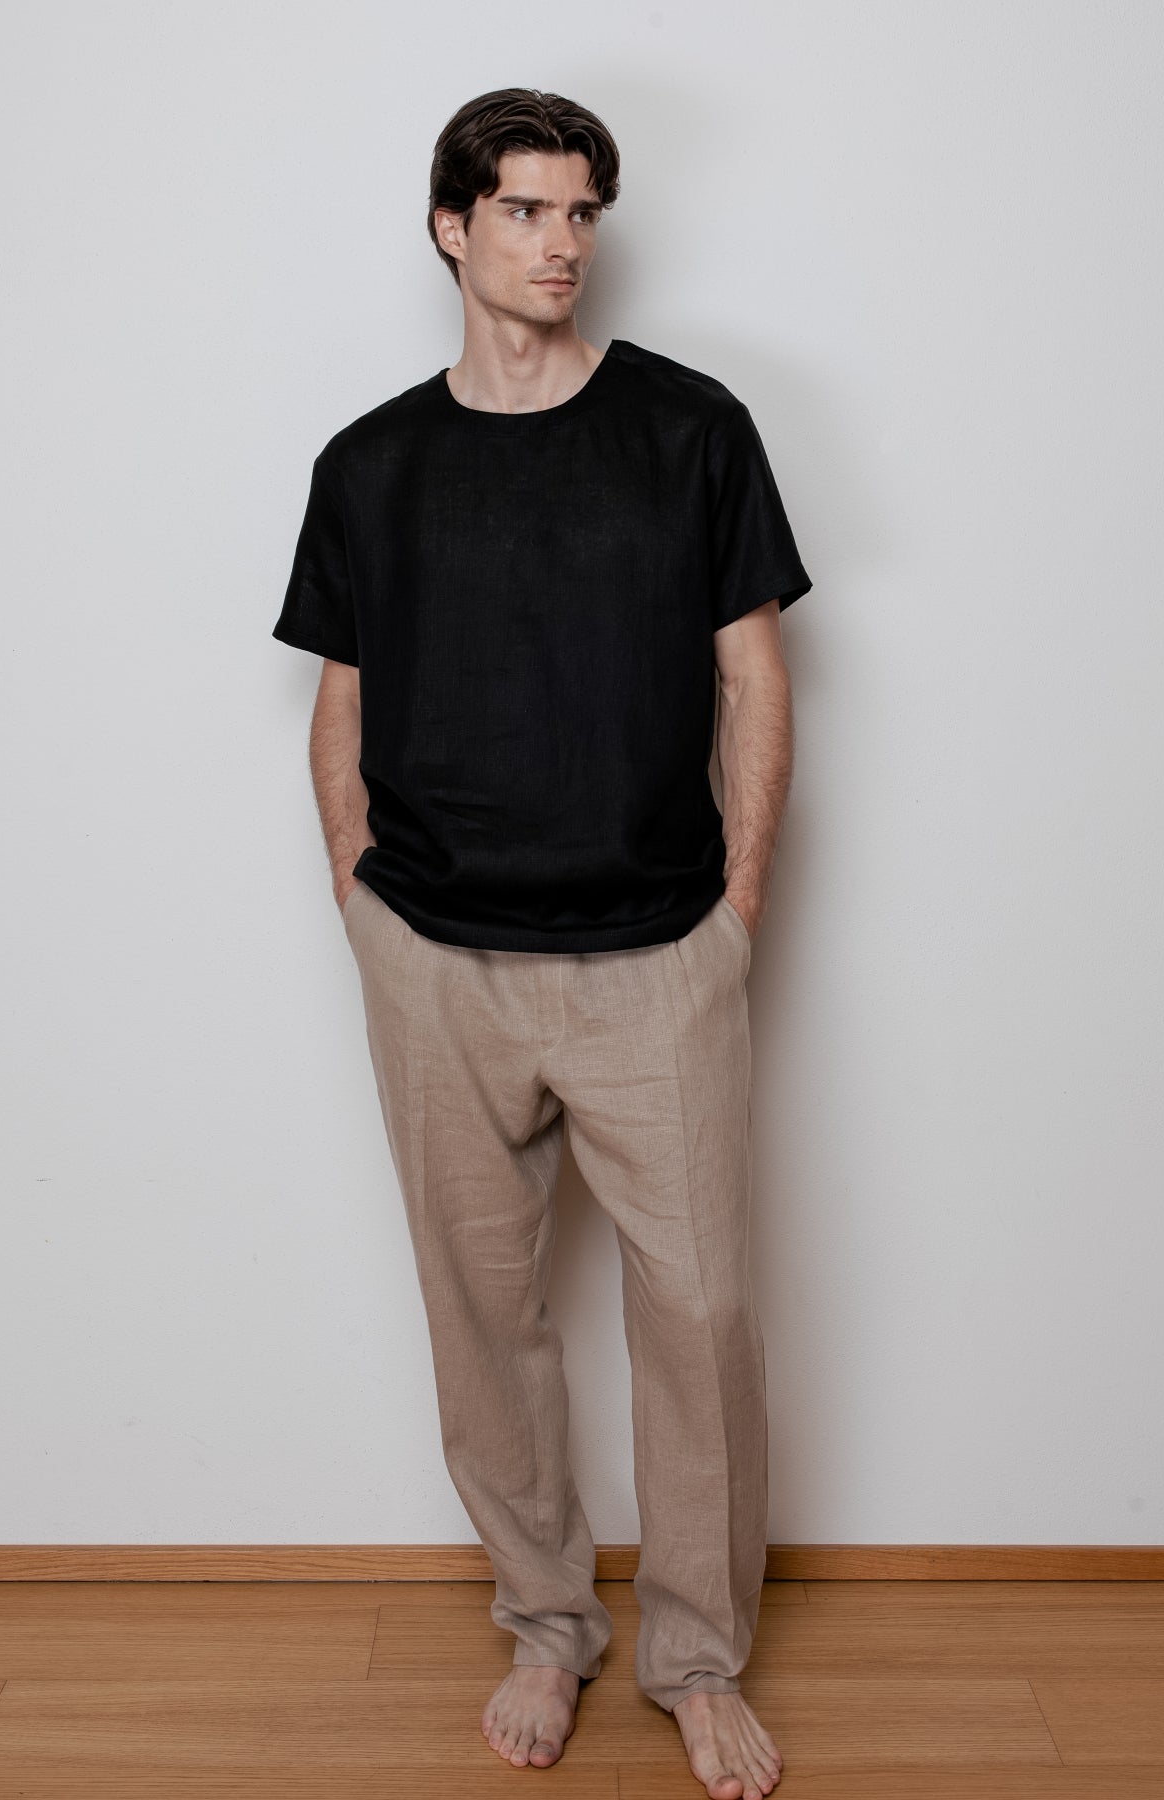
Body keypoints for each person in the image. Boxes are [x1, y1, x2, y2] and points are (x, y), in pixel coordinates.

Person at [272, 86, 810, 1800]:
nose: (558, 243)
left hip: (657, 954)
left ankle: (697, 1659)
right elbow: (341, 700)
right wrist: (360, 898)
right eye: (522, 210)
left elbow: (752, 678)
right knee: (481, 1315)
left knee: (700, 1318)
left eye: (580, 212)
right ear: (452, 226)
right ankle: (544, 1623)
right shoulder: (369, 466)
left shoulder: (690, 430)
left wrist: (735, 912)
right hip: (437, 959)